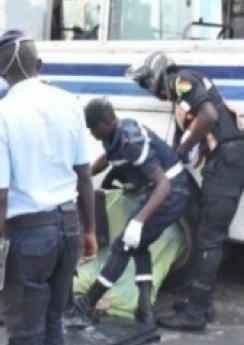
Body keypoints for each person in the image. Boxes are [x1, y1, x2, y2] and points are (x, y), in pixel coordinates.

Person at [0, 29, 97, 345]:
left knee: (25, 334)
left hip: (27, 239)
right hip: (69, 230)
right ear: (40, 65)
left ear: (1, 72)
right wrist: (90, 231)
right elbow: (84, 176)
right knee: (53, 324)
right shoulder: (70, 104)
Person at [127, 52, 244, 331]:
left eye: (147, 84)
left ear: (156, 76)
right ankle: (202, 303)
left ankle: (195, 313)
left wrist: (180, 151)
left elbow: (208, 116)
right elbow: (192, 130)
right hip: (227, 160)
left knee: (210, 237)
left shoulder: (181, 80)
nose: (151, 91)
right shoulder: (190, 85)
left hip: (228, 161)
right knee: (209, 232)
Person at [63, 98, 191, 328]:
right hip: (160, 191)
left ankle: (86, 305)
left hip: (171, 192)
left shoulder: (130, 139)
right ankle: (145, 310)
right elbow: (107, 160)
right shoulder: (113, 137)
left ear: (107, 120)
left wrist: (139, 221)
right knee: (138, 246)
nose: (92, 134)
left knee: (122, 246)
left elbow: (163, 184)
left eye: (93, 128)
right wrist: (82, 177)